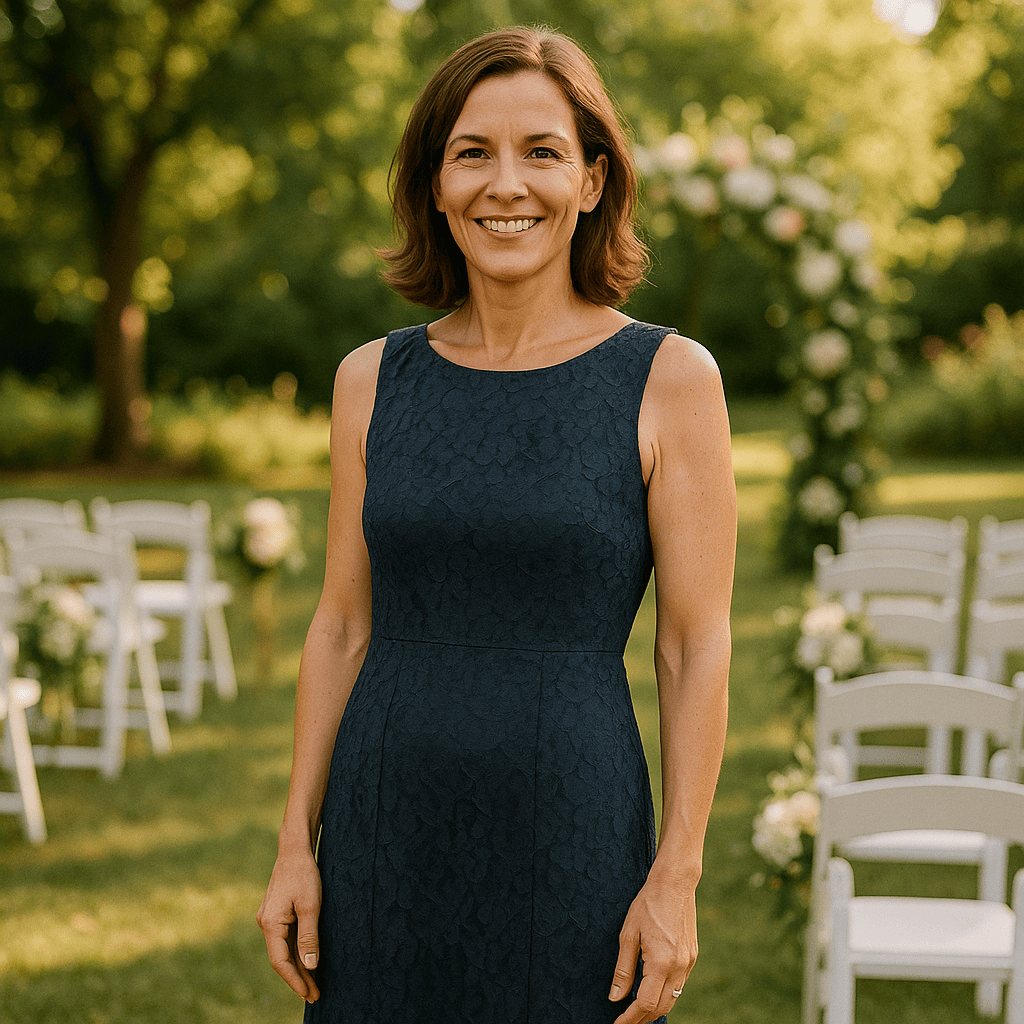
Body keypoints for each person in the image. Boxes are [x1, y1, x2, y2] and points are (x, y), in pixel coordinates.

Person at [257, 25, 735, 1024]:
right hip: (381, 827)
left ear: (593, 181)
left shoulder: (669, 378)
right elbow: (340, 626)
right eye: (472, 152)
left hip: (573, 822)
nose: (504, 184)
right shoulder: (368, 380)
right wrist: (296, 842)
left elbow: (692, 645)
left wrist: (678, 873)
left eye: (542, 152)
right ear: (435, 185)